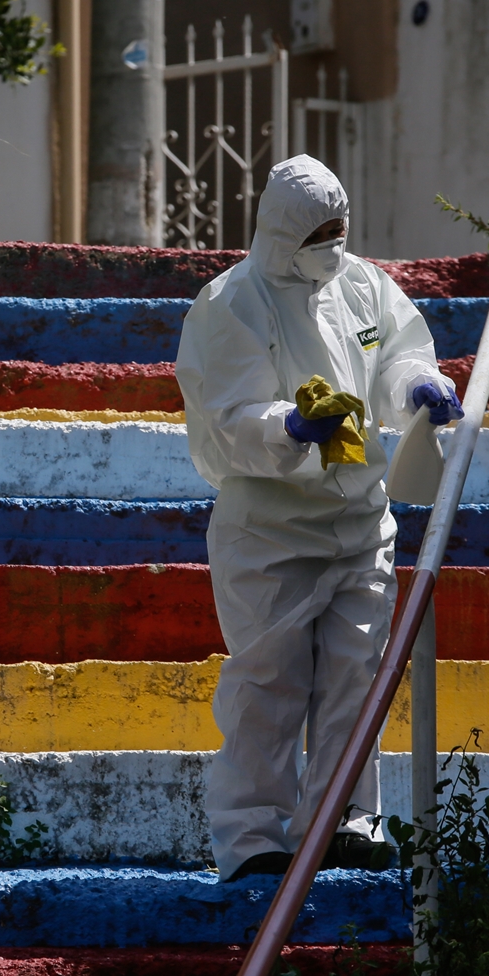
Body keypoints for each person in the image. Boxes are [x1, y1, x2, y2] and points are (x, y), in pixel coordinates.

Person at [176, 155, 462, 881]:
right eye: (319, 232)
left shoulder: (362, 284)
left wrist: (420, 387)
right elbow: (225, 418)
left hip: (362, 520)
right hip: (268, 532)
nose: (333, 243)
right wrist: (289, 426)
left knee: (353, 680)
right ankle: (251, 840)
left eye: (340, 229)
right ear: (282, 232)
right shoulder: (230, 303)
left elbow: (398, 352)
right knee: (267, 685)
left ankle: (342, 821)